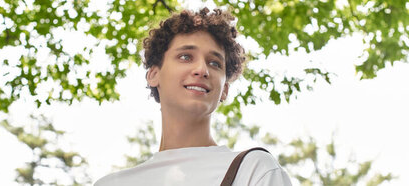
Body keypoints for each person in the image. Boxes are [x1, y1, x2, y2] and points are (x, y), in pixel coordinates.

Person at [95, 7, 292, 186]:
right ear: (154, 75)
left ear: (224, 89)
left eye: (215, 63)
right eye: (185, 57)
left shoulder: (255, 171)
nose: (202, 69)